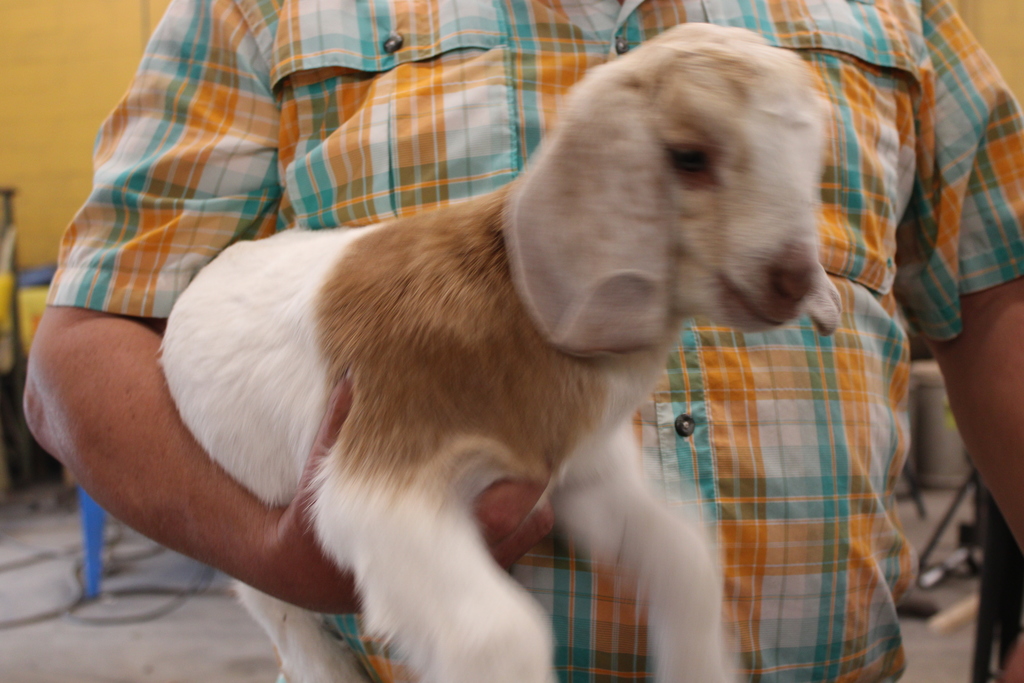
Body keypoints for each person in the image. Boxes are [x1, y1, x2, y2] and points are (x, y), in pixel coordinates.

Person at [23, 0, 1024, 680]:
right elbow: (81, 346)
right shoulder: (259, 10)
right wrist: (278, 554)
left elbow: (997, 289)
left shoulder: (902, 14)